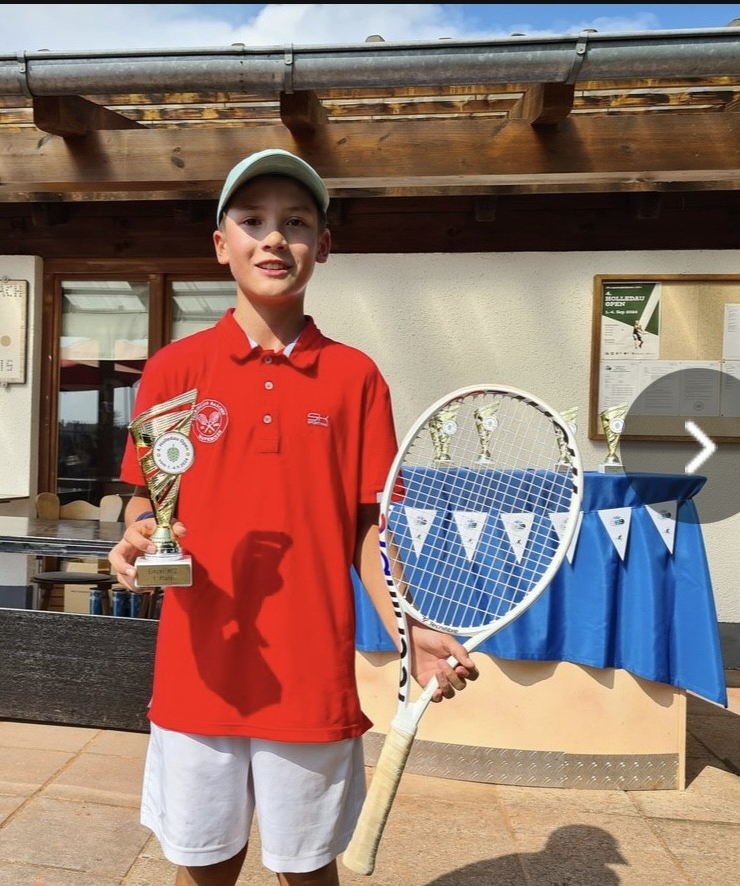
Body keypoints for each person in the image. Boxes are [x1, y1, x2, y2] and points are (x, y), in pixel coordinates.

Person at [107, 148, 479, 885]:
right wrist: (133, 534)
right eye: (252, 221)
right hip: (198, 671)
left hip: (310, 675)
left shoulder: (356, 378)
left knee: (306, 871)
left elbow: (366, 529)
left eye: (296, 222)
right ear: (221, 244)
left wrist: (411, 628)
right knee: (203, 866)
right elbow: (147, 497)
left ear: (323, 246)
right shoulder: (174, 369)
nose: (273, 239)